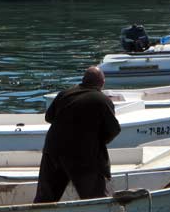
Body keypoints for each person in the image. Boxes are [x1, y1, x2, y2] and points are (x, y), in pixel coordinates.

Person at [34, 66, 121, 202]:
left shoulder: (64, 94)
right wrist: (97, 141)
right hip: (83, 155)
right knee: (95, 199)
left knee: (45, 199)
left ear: (83, 80)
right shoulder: (102, 100)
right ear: (102, 83)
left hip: (53, 151)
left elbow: (49, 117)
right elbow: (114, 129)